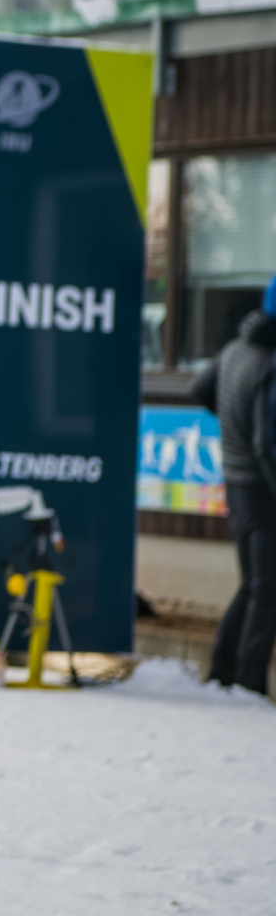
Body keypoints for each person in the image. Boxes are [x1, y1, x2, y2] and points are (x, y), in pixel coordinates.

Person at [191, 275, 276, 695]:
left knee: (252, 584)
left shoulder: (235, 349)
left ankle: (224, 672)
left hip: (235, 482)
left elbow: (199, 389)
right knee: (267, 589)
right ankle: (248, 683)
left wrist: (230, 423)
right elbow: (266, 442)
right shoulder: (268, 362)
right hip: (262, 490)